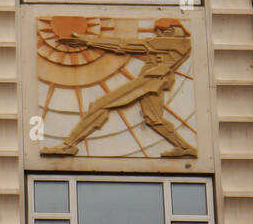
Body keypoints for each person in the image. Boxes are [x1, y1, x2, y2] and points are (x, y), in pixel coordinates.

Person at [41, 18, 196, 158]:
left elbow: (124, 45)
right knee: (153, 119)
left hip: (149, 81)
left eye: (159, 33)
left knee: (101, 105)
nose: (157, 36)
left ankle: (68, 145)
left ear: (169, 31)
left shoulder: (174, 43)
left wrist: (88, 42)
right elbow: (126, 46)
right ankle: (184, 147)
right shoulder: (176, 44)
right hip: (155, 81)